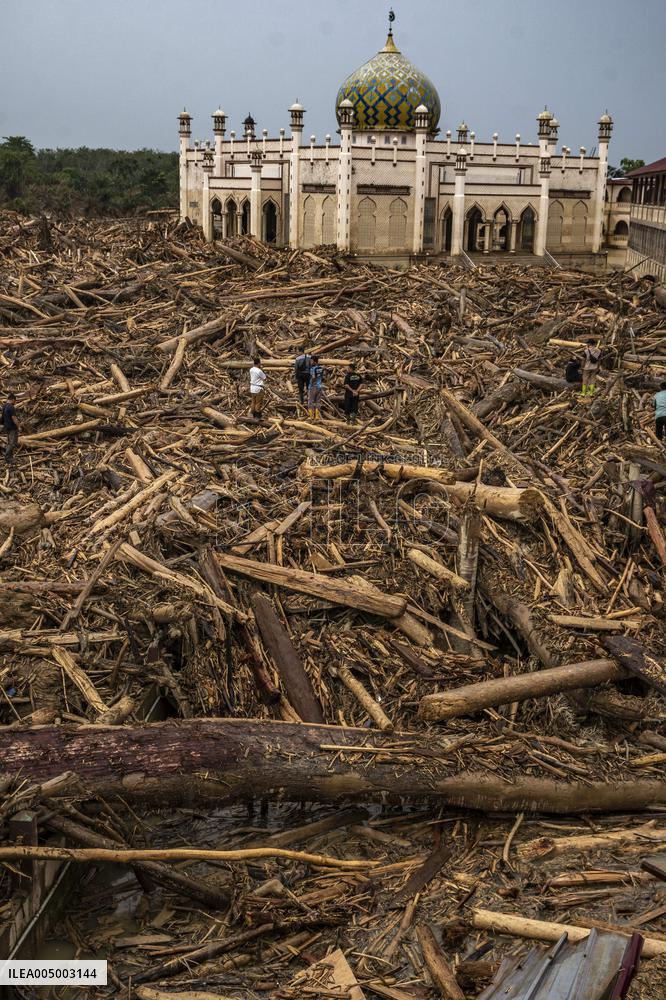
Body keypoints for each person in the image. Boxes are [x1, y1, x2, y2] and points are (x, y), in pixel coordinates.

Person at [2, 392, 19, 462]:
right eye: (15, 401)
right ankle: (8, 458)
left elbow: (2, 417)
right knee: (12, 443)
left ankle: (10, 456)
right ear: (12, 399)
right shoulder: (11, 407)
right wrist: (18, 426)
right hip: (12, 428)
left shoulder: (4, 406)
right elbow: (14, 418)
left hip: (7, 427)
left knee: (9, 442)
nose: (15, 402)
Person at [307, 356, 324, 420]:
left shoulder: (313, 369)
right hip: (319, 386)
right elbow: (321, 377)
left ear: (314, 361)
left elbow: (313, 377)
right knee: (318, 402)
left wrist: (310, 384)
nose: (310, 362)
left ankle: (311, 416)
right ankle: (317, 416)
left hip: (313, 387)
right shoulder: (321, 368)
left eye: (311, 361)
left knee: (310, 401)